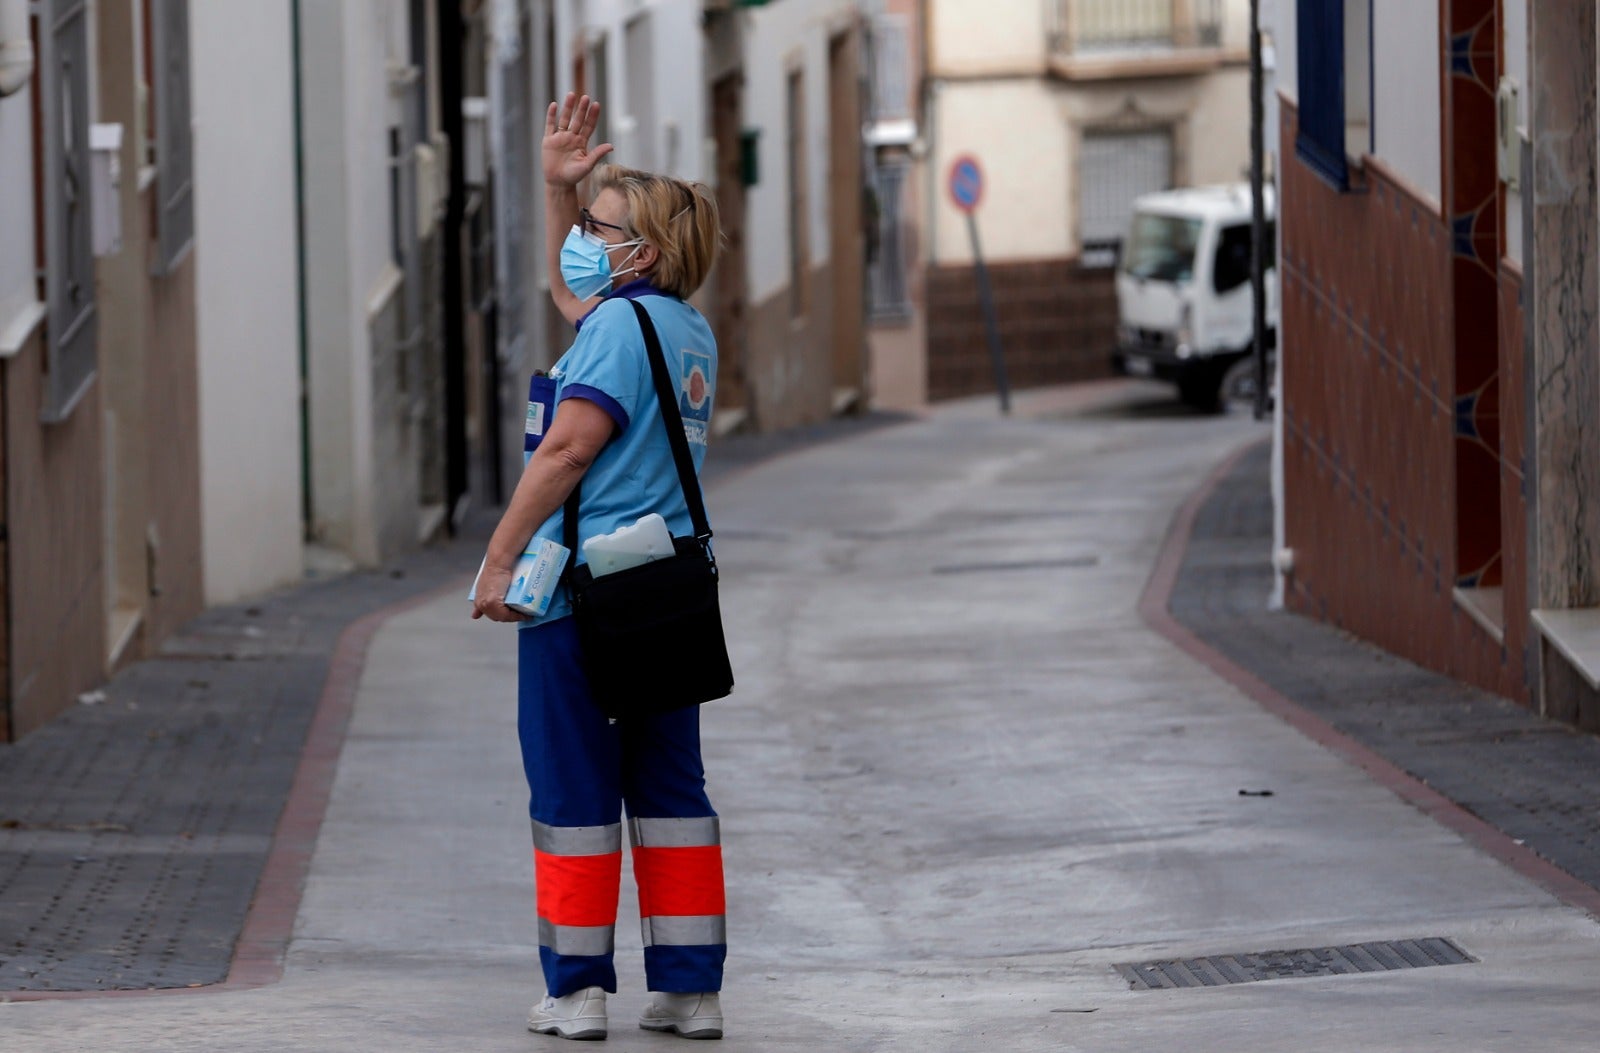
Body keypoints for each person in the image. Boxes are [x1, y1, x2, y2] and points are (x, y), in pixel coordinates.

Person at [470, 93, 727, 1042]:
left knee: (575, 792)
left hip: (583, 596)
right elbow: (573, 300)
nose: (581, 236)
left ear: (641, 254)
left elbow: (568, 451)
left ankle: (576, 989)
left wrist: (497, 558)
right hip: (663, 587)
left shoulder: (619, 333)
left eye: (597, 226)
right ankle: (690, 989)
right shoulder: (680, 330)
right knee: (670, 790)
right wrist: (557, 191)